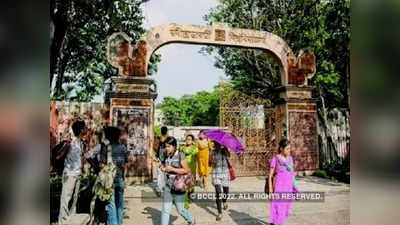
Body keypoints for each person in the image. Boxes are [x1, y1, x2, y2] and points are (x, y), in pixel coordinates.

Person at [160, 136, 195, 225]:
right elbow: (163, 164)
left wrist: (172, 169)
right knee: (165, 209)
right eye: (166, 146)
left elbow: (187, 170)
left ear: (174, 146)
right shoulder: (165, 154)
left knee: (180, 209)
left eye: (169, 146)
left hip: (179, 186)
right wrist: (162, 168)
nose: (166, 148)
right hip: (168, 186)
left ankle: (191, 219)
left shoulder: (180, 155)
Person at [58, 120, 86, 224]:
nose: (86, 129)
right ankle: (62, 222)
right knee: (66, 199)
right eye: (85, 128)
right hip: (69, 174)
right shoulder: (70, 142)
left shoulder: (81, 143)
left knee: (74, 200)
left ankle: (70, 221)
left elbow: (81, 158)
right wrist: (66, 145)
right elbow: (59, 156)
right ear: (81, 130)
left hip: (77, 174)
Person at [103, 126, 130, 225]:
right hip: (120, 179)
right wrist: (124, 178)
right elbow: (125, 164)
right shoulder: (123, 148)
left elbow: (102, 164)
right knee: (119, 204)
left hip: (110, 180)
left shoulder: (106, 148)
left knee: (111, 204)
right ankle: (119, 222)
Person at [269, 139, 296, 225]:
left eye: (289, 148)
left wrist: (294, 187)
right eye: (287, 149)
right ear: (281, 148)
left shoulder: (290, 159)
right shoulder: (275, 159)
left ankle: (275, 223)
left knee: (285, 210)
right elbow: (270, 176)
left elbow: (291, 173)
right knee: (278, 210)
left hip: (288, 189)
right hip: (278, 189)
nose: (289, 151)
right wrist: (270, 191)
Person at [209, 141, 231, 221]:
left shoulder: (224, 151)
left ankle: (224, 201)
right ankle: (219, 213)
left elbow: (229, 156)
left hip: (225, 173)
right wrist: (212, 161)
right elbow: (209, 163)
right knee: (218, 192)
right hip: (216, 174)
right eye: (216, 144)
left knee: (226, 190)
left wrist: (225, 148)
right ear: (214, 144)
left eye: (219, 144)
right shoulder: (212, 152)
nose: (217, 145)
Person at [180, 134, 198, 209]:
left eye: (190, 139)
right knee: (185, 183)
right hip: (184, 167)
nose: (188, 141)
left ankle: (191, 194)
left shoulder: (195, 148)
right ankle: (185, 200)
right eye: (187, 139)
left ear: (192, 141)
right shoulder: (182, 148)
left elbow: (197, 155)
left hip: (192, 167)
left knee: (191, 183)